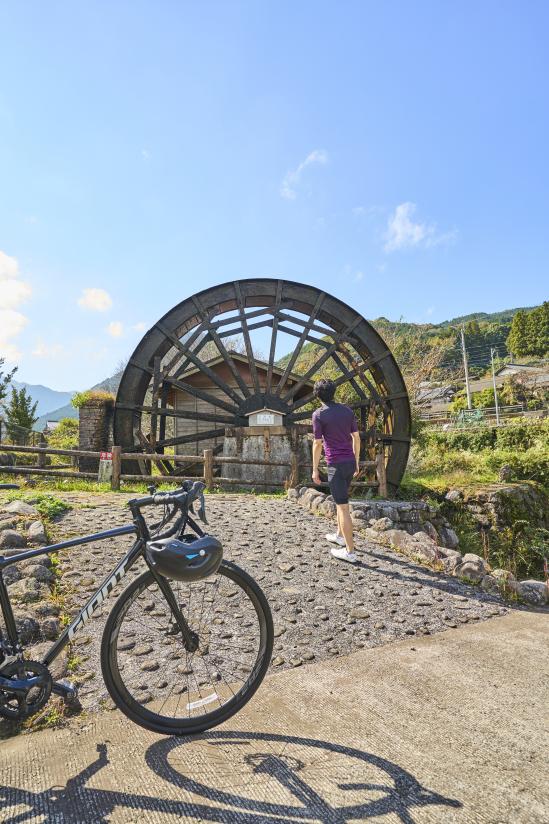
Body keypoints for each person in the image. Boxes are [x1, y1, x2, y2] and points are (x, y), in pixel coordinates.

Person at [311, 379, 361, 563]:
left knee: (342, 507)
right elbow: (356, 437)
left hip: (335, 465)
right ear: (334, 392)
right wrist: (356, 462)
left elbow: (317, 443)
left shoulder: (319, 414)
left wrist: (315, 469)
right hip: (349, 462)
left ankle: (350, 552)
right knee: (342, 500)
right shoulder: (347, 411)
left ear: (317, 395)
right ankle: (340, 536)